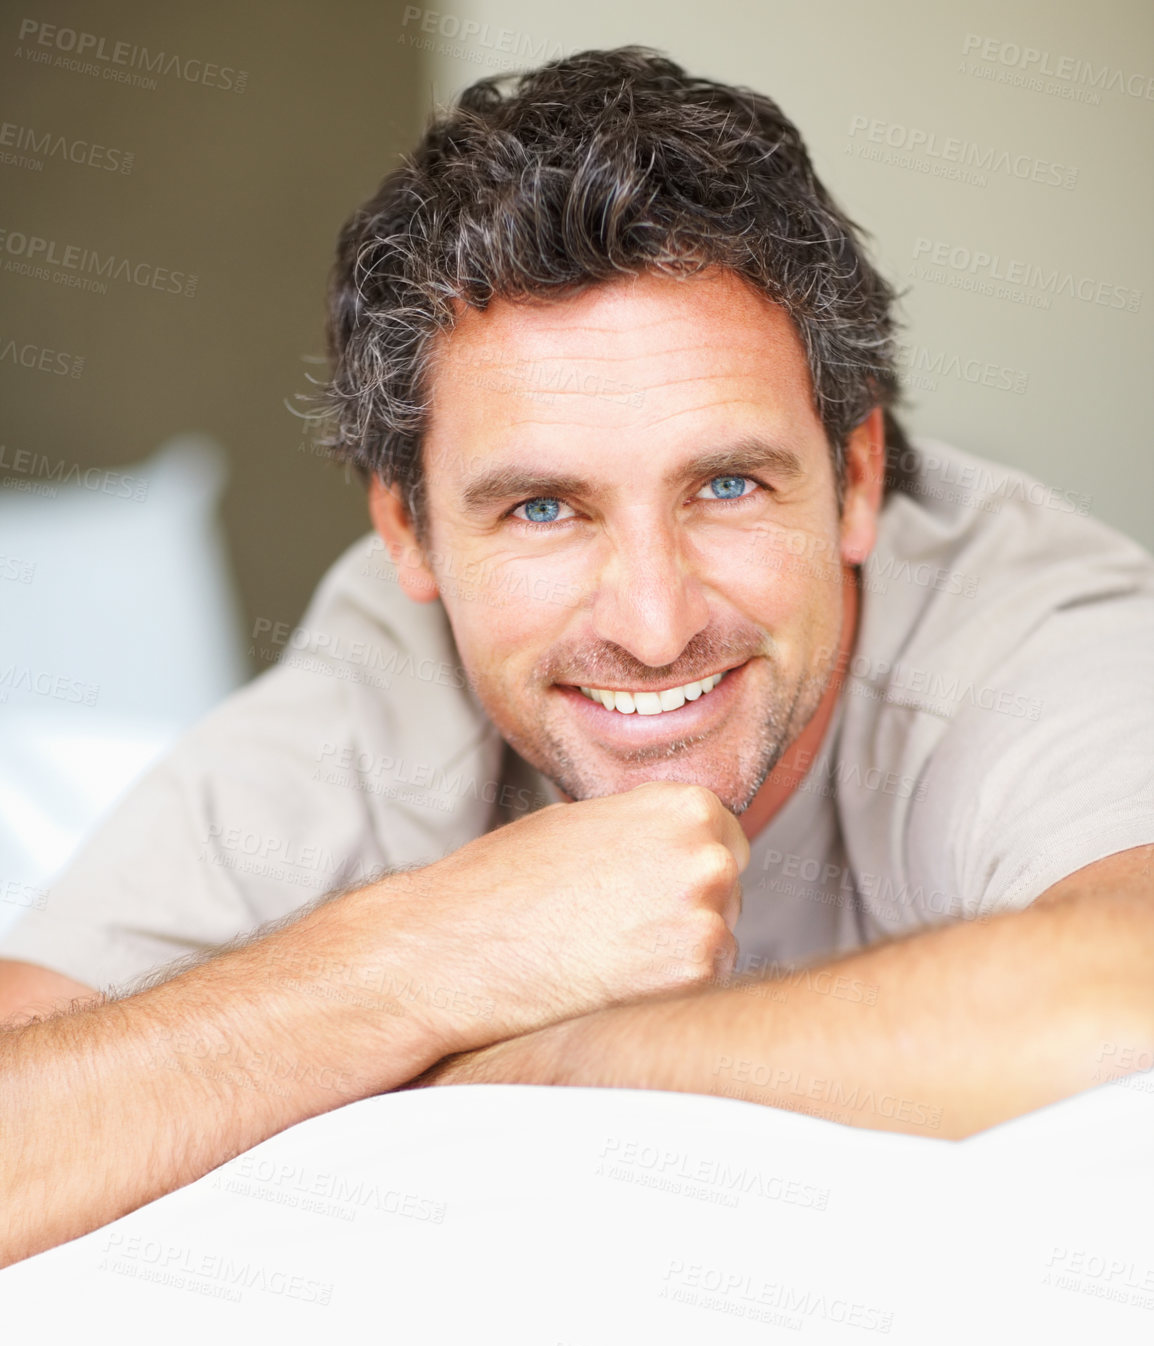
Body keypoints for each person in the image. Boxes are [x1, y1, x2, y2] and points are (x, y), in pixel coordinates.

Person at [2, 46, 1152, 1267]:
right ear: (410, 532)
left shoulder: (1021, 627)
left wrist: (532, 1063)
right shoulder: (380, 685)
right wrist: (426, 957)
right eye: (542, 508)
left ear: (856, 476)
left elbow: (1122, 996)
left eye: (724, 484)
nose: (653, 626)